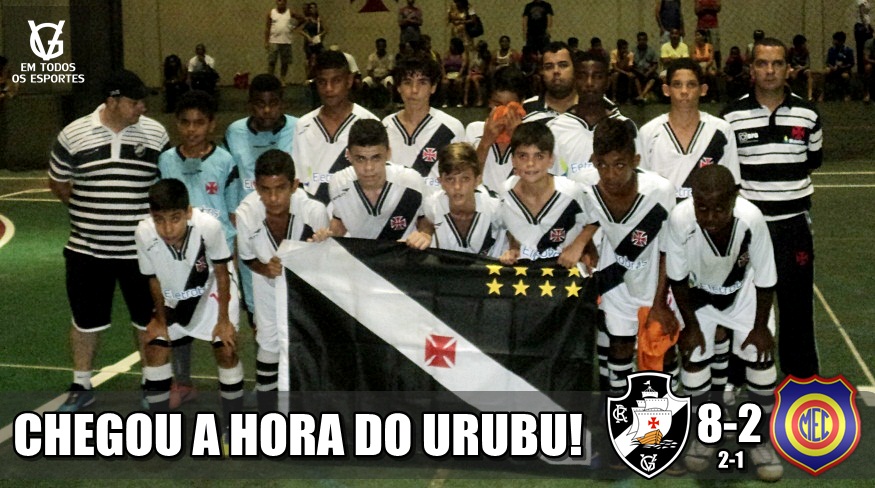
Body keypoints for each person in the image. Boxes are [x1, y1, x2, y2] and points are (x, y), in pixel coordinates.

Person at [48, 69, 170, 412]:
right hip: (87, 251)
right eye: (135, 102)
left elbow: (164, 184)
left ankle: (152, 383)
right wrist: (90, 214)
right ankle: (81, 385)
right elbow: (58, 183)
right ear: (112, 101)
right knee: (85, 321)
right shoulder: (74, 134)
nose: (143, 107)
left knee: (147, 320)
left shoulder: (156, 135)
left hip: (141, 252)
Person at [665, 164, 783, 481]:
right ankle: (706, 434)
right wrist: (691, 328)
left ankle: (758, 439)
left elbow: (766, 277)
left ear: (734, 197)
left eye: (719, 208)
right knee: (693, 360)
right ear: (692, 199)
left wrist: (760, 327)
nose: (711, 216)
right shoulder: (680, 219)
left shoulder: (751, 218)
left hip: (744, 295)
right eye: (702, 208)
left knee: (761, 360)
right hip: (700, 297)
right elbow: (677, 278)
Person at [720, 37, 822, 380]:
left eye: (777, 63)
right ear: (751, 69)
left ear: (788, 69)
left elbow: (813, 161)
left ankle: (801, 382)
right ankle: (735, 379)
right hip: (748, 231)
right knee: (739, 304)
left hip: (794, 227)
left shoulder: (809, 114)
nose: (769, 70)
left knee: (797, 308)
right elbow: (728, 172)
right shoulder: (731, 117)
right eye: (762, 63)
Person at [135, 180, 242, 448]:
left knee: (226, 348)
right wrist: (160, 321)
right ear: (151, 216)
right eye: (159, 220)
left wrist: (224, 320)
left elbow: (222, 272)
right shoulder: (143, 233)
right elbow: (152, 279)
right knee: (155, 347)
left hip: (212, 291)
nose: (167, 228)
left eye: (175, 218)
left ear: (188, 212)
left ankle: (234, 427)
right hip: (174, 293)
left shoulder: (209, 227)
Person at [579, 117, 677, 393]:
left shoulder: (660, 191)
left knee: (662, 346)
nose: (610, 174)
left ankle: (667, 412)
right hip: (617, 283)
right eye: (602, 165)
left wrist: (659, 302)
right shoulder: (584, 185)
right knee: (619, 345)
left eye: (619, 165)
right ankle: (621, 411)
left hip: (656, 280)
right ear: (593, 161)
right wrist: (586, 244)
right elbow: (577, 219)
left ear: (635, 160)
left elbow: (670, 250)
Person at [158, 90, 240, 408]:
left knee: (224, 337)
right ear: (177, 124)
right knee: (177, 327)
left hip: (218, 263)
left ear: (211, 124)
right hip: (177, 261)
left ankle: (232, 400)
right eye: (185, 122)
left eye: (199, 122)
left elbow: (233, 215)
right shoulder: (166, 160)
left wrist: (232, 263)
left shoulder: (225, 162)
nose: (192, 129)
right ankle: (183, 383)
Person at [235, 149, 329, 413]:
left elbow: (324, 263)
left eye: (280, 188)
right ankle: (267, 411)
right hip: (266, 285)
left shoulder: (314, 212)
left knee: (308, 344)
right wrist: (266, 269)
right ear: (256, 187)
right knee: (268, 343)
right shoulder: (246, 214)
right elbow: (247, 258)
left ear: (294, 185)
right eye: (265, 190)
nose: (273, 198)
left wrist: (320, 246)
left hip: (306, 291)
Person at [225, 73, 298, 324]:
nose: (267, 110)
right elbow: (230, 176)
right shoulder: (234, 132)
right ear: (250, 105)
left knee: (293, 299)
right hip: (251, 227)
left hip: (290, 224)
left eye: (273, 103)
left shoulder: (299, 128)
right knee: (257, 301)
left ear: (283, 103)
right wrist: (232, 215)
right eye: (259, 104)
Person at [312, 119, 431, 245]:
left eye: (376, 158)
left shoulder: (411, 181)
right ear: (349, 155)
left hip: (403, 256)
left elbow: (425, 219)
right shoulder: (338, 183)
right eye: (360, 159)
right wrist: (327, 236)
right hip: (360, 256)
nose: (368, 167)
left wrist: (425, 235)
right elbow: (340, 220)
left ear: (388, 153)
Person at [640, 58, 739, 201]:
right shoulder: (648, 132)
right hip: (663, 214)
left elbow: (732, 186)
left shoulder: (721, 131)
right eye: (677, 85)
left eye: (691, 84)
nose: (684, 91)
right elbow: (642, 187)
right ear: (666, 90)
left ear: (703, 90)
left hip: (707, 213)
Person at [497, 121, 590, 267]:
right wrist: (514, 247)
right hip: (525, 273)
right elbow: (510, 226)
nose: (530, 163)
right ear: (513, 160)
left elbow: (596, 219)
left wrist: (578, 245)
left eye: (539, 156)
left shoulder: (570, 192)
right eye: (523, 156)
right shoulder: (505, 193)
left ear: (551, 160)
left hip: (565, 272)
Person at [293, 50, 378, 205]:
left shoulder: (369, 122)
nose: (329, 89)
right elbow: (299, 179)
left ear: (349, 81)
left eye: (336, 81)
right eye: (322, 82)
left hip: (357, 212)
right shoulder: (303, 125)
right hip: (313, 212)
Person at [547, 51, 640, 184]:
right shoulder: (555, 128)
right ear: (574, 80)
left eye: (598, 77)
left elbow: (636, 177)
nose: (589, 83)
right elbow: (548, 181)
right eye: (582, 76)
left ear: (608, 82)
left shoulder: (625, 127)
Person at [383, 55, 465, 191]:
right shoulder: (385, 126)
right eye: (407, 82)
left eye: (422, 83)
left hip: (437, 203)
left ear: (433, 87)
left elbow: (461, 178)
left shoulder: (451, 128)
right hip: (395, 204)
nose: (414, 90)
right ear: (398, 87)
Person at [419, 142, 508, 257]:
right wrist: (425, 233)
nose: (457, 187)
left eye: (465, 179)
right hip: (448, 267)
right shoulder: (433, 205)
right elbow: (427, 221)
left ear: (477, 180)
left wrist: (514, 248)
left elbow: (513, 228)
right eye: (450, 179)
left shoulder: (495, 206)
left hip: (488, 267)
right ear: (441, 182)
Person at [467, 66, 528, 193]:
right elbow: (466, 180)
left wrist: (519, 139)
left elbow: (534, 181)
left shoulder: (532, 134)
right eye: (498, 105)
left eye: (510, 106)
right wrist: (485, 142)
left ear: (521, 103)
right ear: (489, 102)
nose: (504, 112)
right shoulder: (473, 130)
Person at [521, 41, 577, 123]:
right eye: (549, 67)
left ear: (575, 69)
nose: (556, 71)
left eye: (563, 65)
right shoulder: (525, 110)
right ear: (541, 72)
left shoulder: (594, 107)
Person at [265, 0, 304, 85]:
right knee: (272, 61)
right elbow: (267, 28)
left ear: (285, 2)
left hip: (286, 41)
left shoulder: (289, 12)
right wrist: (266, 41)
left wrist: (294, 26)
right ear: (276, 2)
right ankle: (270, 79)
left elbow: (302, 19)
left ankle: (282, 79)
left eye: (283, 1)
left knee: (285, 62)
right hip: (273, 40)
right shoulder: (271, 13)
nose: (281, 3)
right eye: (279, 1)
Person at [362, 38, 395, 108]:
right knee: (365, 81)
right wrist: (374, 78)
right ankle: (366, 102)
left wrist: (381, 77)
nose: (381, 48)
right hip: (374, 77)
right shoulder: (371, 57)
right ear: (376, 46)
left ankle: (390, 102)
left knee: (390, 81)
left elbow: (390, 71)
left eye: (382, 46)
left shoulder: (390, 57)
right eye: (379, 46)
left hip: (385, 77)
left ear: (385, 46)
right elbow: (369, 70)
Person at [299, 2, 327, 80]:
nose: (313, 9)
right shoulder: (307, 20)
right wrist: (307, 36)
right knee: (309, 60)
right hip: (309, 43)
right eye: (311, 8)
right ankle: (308, 77)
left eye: (314, 8)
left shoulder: (319, 20)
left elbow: (325, 30)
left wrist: (320, 36)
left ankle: (315, 76)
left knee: (319, 59)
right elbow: (300, 30)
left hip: (317, 42)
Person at [825, 31, 855, 101]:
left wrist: (842, 67)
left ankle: (847, 93)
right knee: (826, 71)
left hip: (844, 70)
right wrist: (832, 67)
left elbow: (851, 63)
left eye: (835, 40)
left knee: (845, 76)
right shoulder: (831, 50)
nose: (833, 42)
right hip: (833, 69)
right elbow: (828, 62)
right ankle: (823, 93)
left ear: (841, 41)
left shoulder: (848, 50)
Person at [632, 32, 660, 104]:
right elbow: (632, 65)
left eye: (644, 40)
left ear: (646, 40)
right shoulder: (633, 51)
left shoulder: (651, 51)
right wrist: (639, 71)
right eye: (640, 40)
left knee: (653, 78)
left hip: (649, 72)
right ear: (637, 40)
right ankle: (640, 94)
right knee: (635, 77)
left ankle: (643, 94)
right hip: (638, 72)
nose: (642, 41)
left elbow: (655, 64)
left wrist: (648, 72)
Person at [691, 29, 718, 101]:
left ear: (703, 37)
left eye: (698, 35)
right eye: (695, 35)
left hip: (708, 65)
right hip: (698, 66)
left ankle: (713, 97)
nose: (696, 37)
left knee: (712, 74)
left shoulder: (709, 46)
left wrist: (705, 67)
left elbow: (711, 60)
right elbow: (693, 60)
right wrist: (700, 67)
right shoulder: (694, 47)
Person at [442, 37, 469, 107]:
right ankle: (445, 100)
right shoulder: (447, 53)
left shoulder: (462, 55)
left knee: (458, 82)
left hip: (458, 74)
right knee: (445, 83)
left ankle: (458, 100)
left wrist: (459, 75)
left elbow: (463, 66)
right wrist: (444, 75)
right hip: (448, 73)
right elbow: (442, 66)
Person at [694, 0, 721, 67]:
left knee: (716, 48)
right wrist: (710, 7)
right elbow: (697, 11)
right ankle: (701, 66)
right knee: (701, 47)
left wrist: (705, 8)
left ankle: (718, 67)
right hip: (701, 26)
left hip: (713, 26)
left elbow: (718, 8)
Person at [464, 40, 491, 107]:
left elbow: (484, 70)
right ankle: (465, 99)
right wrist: (471, 72)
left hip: (482, 74)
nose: (477, 48)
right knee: (468, 78)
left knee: (475, 78)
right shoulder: (475, 55)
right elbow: (471, 67)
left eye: (479, 47)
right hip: (475, 72)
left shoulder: (485, 56)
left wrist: (475, 72)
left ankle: (480, 99)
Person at [788, 35, 814, 101]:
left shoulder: (805, 51)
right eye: (804, 44)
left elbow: (807, 64)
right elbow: (788, 63)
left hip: (802, 69)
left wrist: (800, 69)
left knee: (809, 73)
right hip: (793, 68)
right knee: (791, 75)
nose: (805, 45)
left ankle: (809, 96)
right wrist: (792, 69)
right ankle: (791, 95)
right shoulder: (791, 51)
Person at [609, 39, 635, 104]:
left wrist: (625, 59)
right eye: (623, 48)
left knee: (631, 76)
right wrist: (625, 72)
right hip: (617, 71)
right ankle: (614, 97)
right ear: (619, 49)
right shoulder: (614, 53)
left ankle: (629, 97)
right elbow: (615, 68)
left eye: (626, 48)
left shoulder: (630, 54)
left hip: (626, 70)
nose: (625, 50)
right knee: (615, 75)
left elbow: (629, 68)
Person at [854, 0, 872, 78]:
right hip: (861, 26)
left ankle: (868, 70)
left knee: (869, 47)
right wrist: (866, 26)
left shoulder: (866, 1)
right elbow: (862, 14)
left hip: (866, 25)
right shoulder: (860, 1)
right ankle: (861, 71)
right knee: (861, 49)